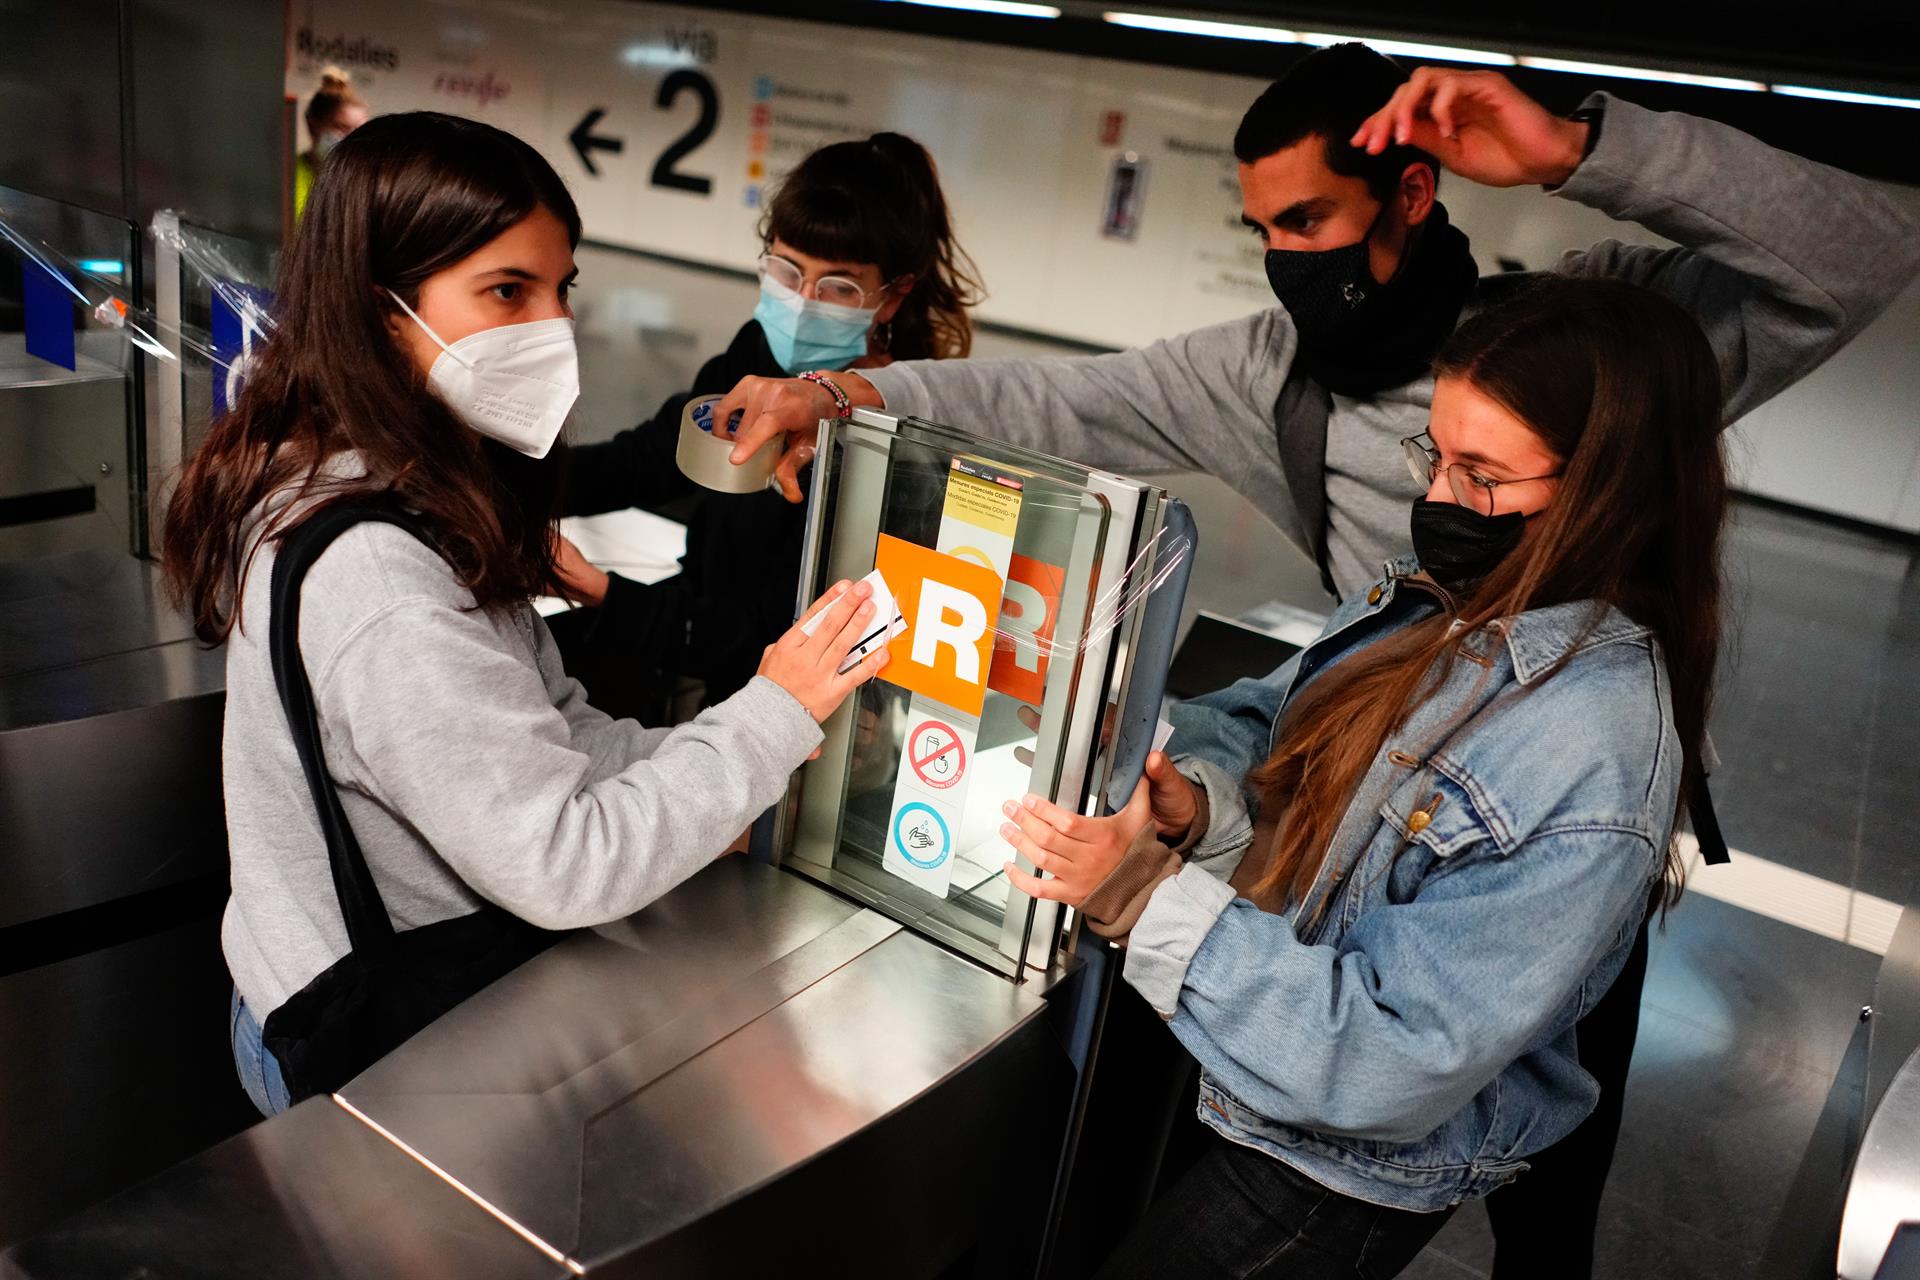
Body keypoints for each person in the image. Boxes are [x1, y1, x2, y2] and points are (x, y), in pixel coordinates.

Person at [711, 47, 1920, 1276]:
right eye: (1265, 231)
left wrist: (1581, 152)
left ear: (1407, 193)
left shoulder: (1587, 350)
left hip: (1507, 818)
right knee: (1312, 1095)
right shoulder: (1270, 381)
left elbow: (1859, 254)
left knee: (1534, 1147)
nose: (1290, 261)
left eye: (1310, 220)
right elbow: (1068, 400)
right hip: (1358, 800)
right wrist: (850, 391)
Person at [996, 275, 1726, 1278]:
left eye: (1483, 474)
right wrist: (1206, 804)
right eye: (1437, 454)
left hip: (1328, 1170)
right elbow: (1295, 740)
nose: (1439, 501)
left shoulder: (1589, 753)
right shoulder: (1450, 592)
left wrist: (1137, 895)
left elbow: (1395, 1053)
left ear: (1607, 487)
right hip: (1253, 1054)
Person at [161, 111, 888, 1117]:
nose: (552, 327)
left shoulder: (390, 482)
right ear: (381, 311)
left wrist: (710, 785)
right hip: (371, 1041)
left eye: (561, 290)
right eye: (508, 291)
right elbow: (560, 860)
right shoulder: (380, 571)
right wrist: (771, 713)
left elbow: (553, 727)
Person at [547, 132, 982, 718]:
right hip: (696, 655)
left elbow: (782, 630)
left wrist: (605, 593)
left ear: (893, 295)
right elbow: (650, 459)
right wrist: (489, 485)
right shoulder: (755, 358)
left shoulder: (900, 436)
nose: (802, 301)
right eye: (786, 270)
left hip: (801, 713)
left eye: (837, 286)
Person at [293, 65, 368, 220]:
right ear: (312, 125)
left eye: (359, 130)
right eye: (342, 127)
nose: (353, 139)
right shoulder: (287, 176)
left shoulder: (367, 184)